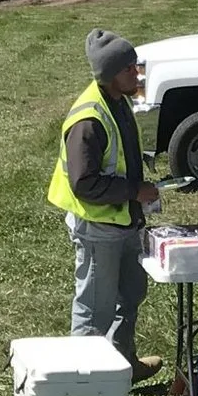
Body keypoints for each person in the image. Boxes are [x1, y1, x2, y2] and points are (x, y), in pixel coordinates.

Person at [47, 29, 161, 373]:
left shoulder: (118, 100)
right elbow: (84, 183)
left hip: (125, 220)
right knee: (94, 309)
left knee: (130, 295)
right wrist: (133, 191)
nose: (136, 74)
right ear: (111, 73)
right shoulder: (88, 120)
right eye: (130, 68)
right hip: (98, 227)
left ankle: (121, 363)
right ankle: (84, 383)